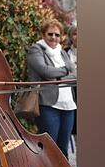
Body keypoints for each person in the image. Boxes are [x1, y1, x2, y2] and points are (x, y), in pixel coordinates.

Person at [26, 20, 77, 158]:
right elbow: (45, 71)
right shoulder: (36, 50)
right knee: (49, 148)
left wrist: (58, 77)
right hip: (48, 105)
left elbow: (75, 74)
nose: (53, 37)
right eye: (50, 34)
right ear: (43, 34)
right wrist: (66, 70)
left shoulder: (62, 52)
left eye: (57, 35)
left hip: (68, 106)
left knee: (63, 149)